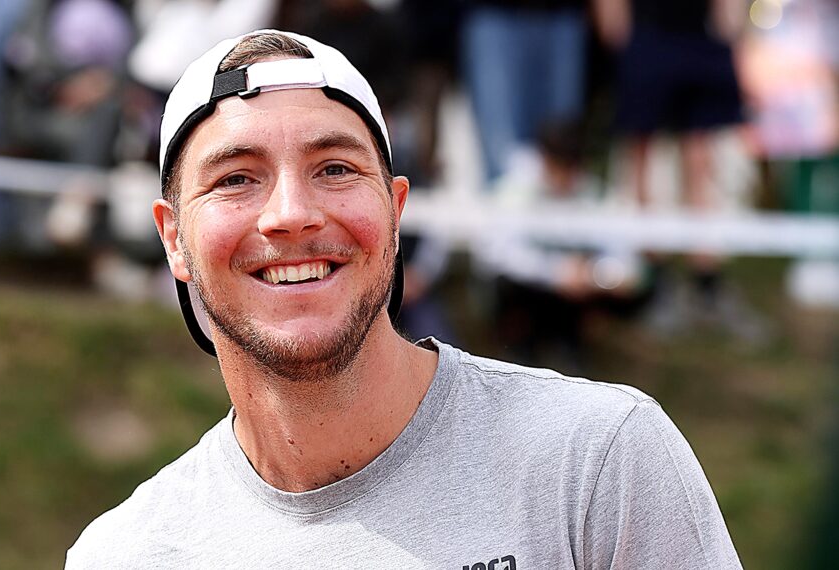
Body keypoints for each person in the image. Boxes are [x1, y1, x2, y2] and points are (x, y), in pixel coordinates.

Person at [66, 30, 742, 568]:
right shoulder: (125, 555)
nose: (291, 214)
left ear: (395, 213)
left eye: (334, 168)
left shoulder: (594, 463)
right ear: (174, 239)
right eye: (237, 178)